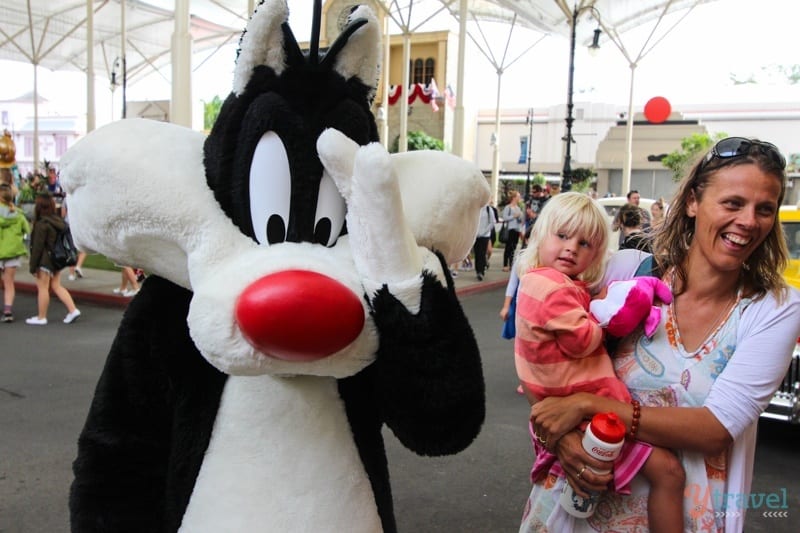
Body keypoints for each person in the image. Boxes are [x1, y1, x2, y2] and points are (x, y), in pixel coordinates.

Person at [523, 137, 800, 532]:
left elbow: (714, 430)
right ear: (692, 202)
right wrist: (559, 439)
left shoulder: (774, 308)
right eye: (733, 203)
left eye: (765, 209)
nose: (749, 221)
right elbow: (545, 359)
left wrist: (588, 406)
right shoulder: (626, 273)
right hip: (571, 513)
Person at [514, 192, 685, 533]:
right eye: (562, 236)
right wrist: (600, 320)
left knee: (581, 487)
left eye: (583, 243)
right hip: (582, 403)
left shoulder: (535, 281)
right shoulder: (555, 287)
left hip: (556, 400)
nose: (571, 248)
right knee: (668, 471)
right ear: (541, 235)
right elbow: (582, 341)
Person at [26, 193, 81, 325]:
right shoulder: (57, 221)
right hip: (56, 259)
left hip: (44, 261)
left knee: (43, 288)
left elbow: (37, 248)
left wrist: (32, 266)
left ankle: (41, 317)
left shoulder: (41, 224)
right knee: (56, 285)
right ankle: (72, 309)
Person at [0, 183, 30, 322]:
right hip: (13, 252)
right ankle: (8, 310)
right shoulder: (18, 214)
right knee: (9, 283)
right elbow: (27, 232)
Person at [61, 194, 87, 280]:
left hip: (69, 224)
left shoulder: (66, 199)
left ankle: (71, 274)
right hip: (79, 224)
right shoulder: (82, 198)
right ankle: (78, 266)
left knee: (71, 249)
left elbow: (63, 214)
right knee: (84, 247)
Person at [473, 202, 497, 281]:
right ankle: (477, 270)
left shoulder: (488, 209)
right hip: (476, 235)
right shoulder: (475, 209)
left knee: (482, 253)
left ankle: (481, 271)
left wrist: (484, 231)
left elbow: (492, 222)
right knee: (477, 253)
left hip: (485, 235)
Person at [501, 190, 524, 272]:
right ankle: (505, 264)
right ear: (514, 198)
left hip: (517, 230)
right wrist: (514, 216)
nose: (519, 198)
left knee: (513, 247)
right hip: (510, 229)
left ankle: (511, 264)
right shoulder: (508, 207)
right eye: (518, 197)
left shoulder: (518, 208)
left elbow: (521, 219)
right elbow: (505, 218)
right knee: (508, 247)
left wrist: (520, 218)